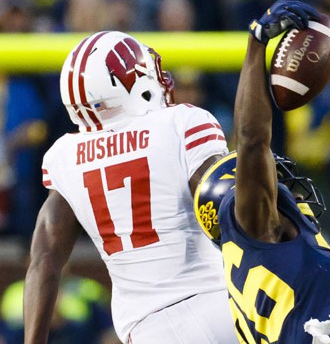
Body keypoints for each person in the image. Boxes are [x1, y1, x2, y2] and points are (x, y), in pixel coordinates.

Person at [193, 0, 330, 343]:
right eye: (272, 177)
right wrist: (257, 43)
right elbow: (252, 140)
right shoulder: (252, 222)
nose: (284, 184)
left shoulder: (249, 262)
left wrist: (323, 265)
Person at [23, 31, 238, 344]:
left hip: (146, 327)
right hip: (219, 305)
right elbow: (226, 212)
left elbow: (44, 261)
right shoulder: (181, 123)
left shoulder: (65, 156)